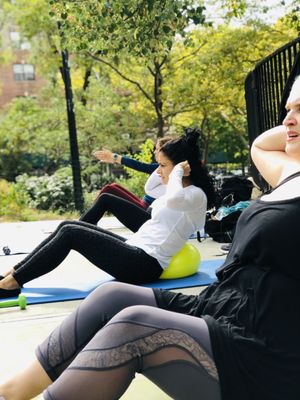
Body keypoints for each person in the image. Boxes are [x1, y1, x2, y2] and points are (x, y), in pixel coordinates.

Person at [1, 77, 300, 400]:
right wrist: (136, 164)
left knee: (134, 324)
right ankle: (10, 392)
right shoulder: (288, 174)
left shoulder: (193, 193)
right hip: (221, 305)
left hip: (260, 344)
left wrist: (174, 175)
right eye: (288, 109)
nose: (287, 121)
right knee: (110, 295)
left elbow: (172, 199)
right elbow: (260, 144)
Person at [0, 128, 215, 299]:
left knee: (71, 234)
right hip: (135, 248)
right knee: (67, 225)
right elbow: (154, 189)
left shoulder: (195, 195)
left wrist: (176, 170)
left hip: (144, 264)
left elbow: (176, 198)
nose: (158, 171)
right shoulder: (173, 187)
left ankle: (11, 285)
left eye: (162, 166)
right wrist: (170, 168)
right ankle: (14, 272)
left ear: (179, 168)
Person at [93, 136, 172, 210]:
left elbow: (139, 166)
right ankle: (89, 214)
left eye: (157, 149)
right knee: (114, 186)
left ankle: (87, 217)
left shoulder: (165, 168)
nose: (154, 152)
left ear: (164, 151)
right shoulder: (161, 167)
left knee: (109, 189)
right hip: (143, 203)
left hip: (145, 208)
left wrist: (114, 157)